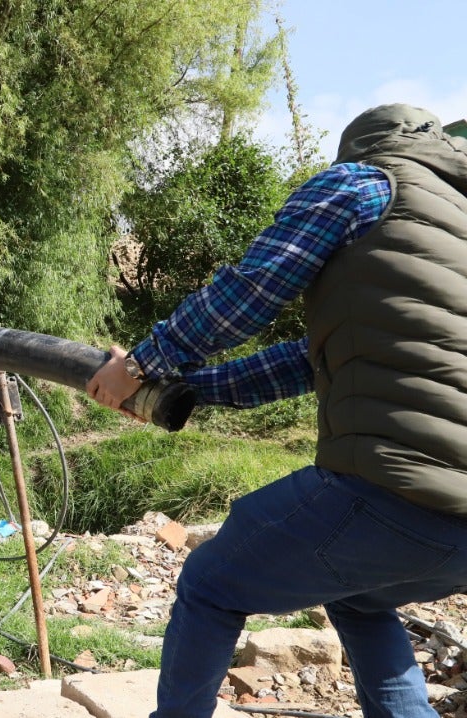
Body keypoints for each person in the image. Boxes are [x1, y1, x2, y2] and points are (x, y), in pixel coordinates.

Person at [87, 104, 467, 718]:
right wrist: (183, 389)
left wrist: (137, 365)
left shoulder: (365, 182)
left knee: (212, 583)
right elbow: (304, 361)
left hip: (397, 488)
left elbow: (252, 290)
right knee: (360, 599)